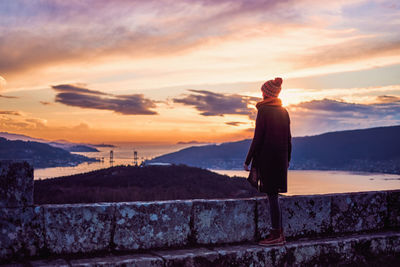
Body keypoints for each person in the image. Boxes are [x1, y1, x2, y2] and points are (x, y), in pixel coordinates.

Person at [244, 77, 291, 246]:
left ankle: (276, 234)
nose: (261, 93)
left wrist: (248, 160)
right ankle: (279, 233)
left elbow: (258, 138)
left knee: (272, 196)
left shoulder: (264, 111)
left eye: (262, 91)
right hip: (280, 159)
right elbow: (288, 139)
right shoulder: (284, 111)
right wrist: (287, 160)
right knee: (274, 195)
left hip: (268, 159)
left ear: (266, 93)